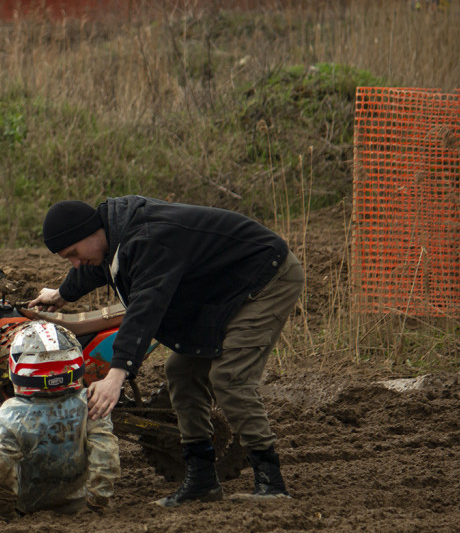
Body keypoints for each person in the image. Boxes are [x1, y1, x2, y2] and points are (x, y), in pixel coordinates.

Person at [28, 197, 304, 506]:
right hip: (223, 288)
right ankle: (201, 480)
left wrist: (115, 376)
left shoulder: (147, 240)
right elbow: (97, 267)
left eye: (73, 254)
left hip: (265, 278)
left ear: (90, 232)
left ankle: (271, 483)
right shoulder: (113, 235)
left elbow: (145, 309)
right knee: (181, 372)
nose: (75, 263)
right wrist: (62, 294)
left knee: (229, 377)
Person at [0, 321, 121, 520]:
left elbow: (0, 469)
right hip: (77, 502)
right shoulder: (91, 403)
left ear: (18, 368)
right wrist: (96, 504)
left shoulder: (8, 415)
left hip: (24, 503)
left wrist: (3, 514)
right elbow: (106, 457)